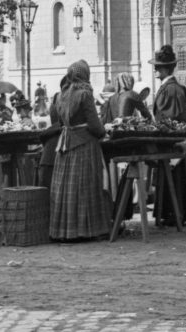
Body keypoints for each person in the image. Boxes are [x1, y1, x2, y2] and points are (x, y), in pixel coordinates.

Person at [49, 60, 114, 240]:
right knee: (85, 186)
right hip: (84, 144)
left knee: (65, 187)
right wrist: (104, 132)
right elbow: (94, 124)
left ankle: (63, 230)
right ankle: (86, 230)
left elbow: (60, 122)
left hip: (65, 144)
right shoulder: (85, 94)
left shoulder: (60, 95)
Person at [149, 45, 186, 226]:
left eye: (158, 67)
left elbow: (169, 118)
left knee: (175, 177)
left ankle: (174, 213)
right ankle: (172, 212)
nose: (155, 70)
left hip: (172, 141)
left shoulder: (171, 89)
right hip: (173, 138)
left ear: (167, 68)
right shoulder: (173, 88)